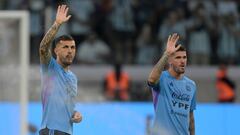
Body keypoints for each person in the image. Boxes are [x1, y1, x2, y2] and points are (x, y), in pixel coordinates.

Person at [39, 5, 82, 135]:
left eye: (72, 47)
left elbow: (68, 106)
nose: (70, 51)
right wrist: (57, 24)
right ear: (56, 50)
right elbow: (43, 47)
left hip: (67, 131)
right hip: (51, 130)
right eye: (65, 47)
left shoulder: (73, 78)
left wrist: (76, 114)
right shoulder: (50, 67)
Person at [147, 33, 196, 135]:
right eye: (178, 58)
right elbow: (151, 80)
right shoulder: (162, 78)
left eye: (184, 57)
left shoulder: (191, 85)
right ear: (170, 61)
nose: (182, 61)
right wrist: (167, 53)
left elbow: (190, 117)